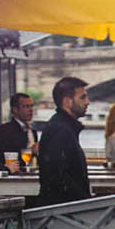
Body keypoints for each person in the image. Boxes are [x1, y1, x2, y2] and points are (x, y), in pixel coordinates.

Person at [37, 76, 91, 205]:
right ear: (67, 102)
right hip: (64, 212)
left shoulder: (62, 127)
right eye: (82, 97)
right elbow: (57, 176)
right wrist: (84, 202)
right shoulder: (61, 130)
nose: (88, 102)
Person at [0, 92, 39, 158]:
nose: (31, 110)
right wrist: (30, 151)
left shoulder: (32, 131)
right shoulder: (4, 131)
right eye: (26, 106)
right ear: (15, 109)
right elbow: (4, 156)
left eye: (31, 106)